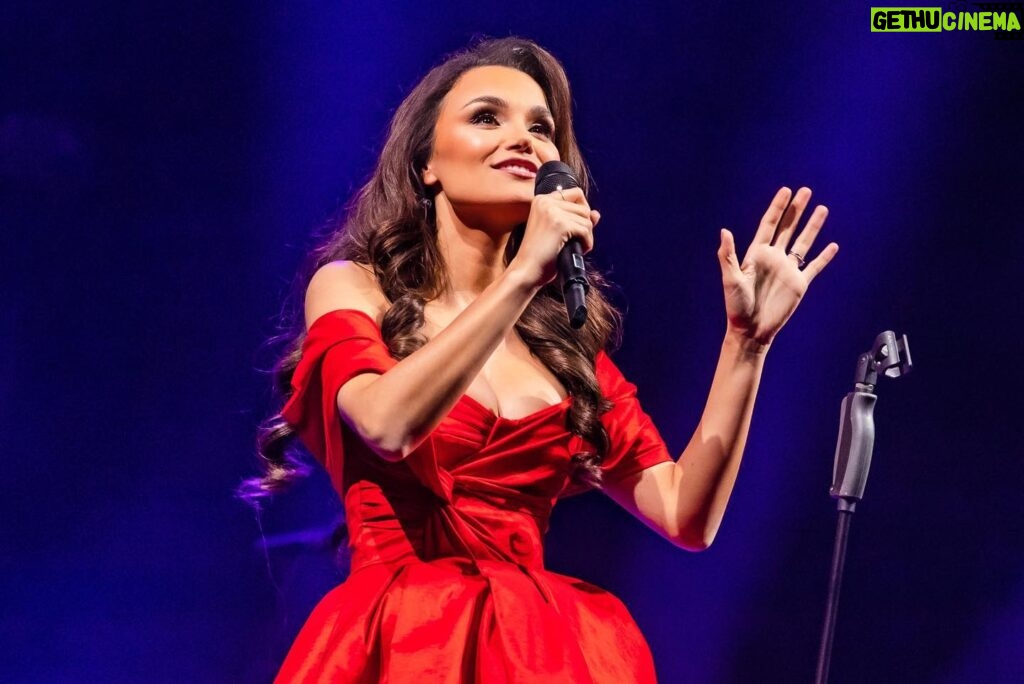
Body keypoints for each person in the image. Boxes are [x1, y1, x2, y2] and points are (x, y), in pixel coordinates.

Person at [246, 36, 838, 683]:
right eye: (486, 117)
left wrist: (746, 346)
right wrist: (526, 272)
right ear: (427, 165)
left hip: (539, 653)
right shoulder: (355, 289)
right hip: (405, 643)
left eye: (541, 128)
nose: (524, 139)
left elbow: (684, 515)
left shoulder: (562, 353)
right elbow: (387, 425)